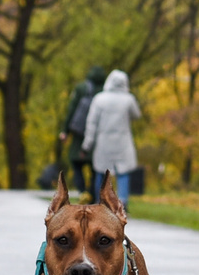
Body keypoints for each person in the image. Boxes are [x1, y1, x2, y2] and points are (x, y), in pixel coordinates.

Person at [82, 69, 141, 207]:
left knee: (101, 172)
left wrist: (87, 144)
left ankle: (100, 201)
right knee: (123, 171)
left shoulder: (99, 99)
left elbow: (91, 123)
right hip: (123, 142)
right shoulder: (129, 99)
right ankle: (123, 201)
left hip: (104, 142)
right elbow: (137, 115)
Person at [54, 70, 102, 198]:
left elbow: (72, 109)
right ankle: (92, 193)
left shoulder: (81, 88)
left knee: (76, 163)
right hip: (98, 136)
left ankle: (82, 191)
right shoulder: (105, 91)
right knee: (95, 167)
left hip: (78, 133)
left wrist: (65, 131)